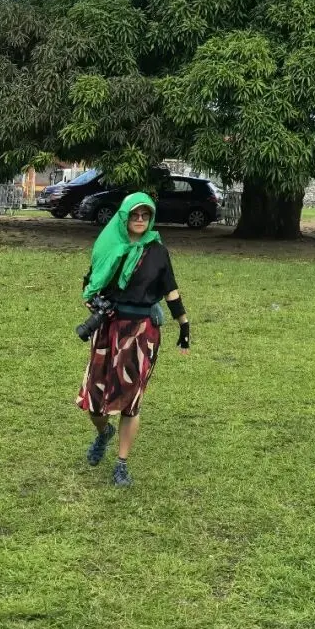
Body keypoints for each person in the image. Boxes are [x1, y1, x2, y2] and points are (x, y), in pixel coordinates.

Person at [76, 192, 190, 487]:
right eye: (135, 215)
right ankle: (104, 432)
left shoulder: (157, 251)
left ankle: (121, 464)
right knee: (95, 402)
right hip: (108, 328)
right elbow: (90, 281)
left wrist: (184, 325)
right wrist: (91, 300)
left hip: (141, 332)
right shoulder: (109, 245)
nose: (140, 220)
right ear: (124, 217)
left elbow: (171, 290)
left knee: (131, 401)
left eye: (145, 215)